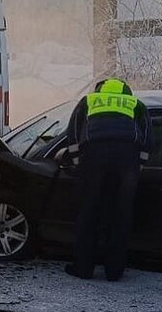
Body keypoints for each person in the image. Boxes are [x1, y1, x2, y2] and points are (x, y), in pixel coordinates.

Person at [63, 78, 152, 282]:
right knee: (121, 215)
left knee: (89, 213)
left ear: (100, 90)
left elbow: (74, 132)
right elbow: (148, 136)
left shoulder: (89, 101)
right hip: (127, 160)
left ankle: (83, 269)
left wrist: (78, 162)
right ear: (125, 92)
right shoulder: (136, 104)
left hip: (94, 157)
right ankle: (114, 271)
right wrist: (138, 166)